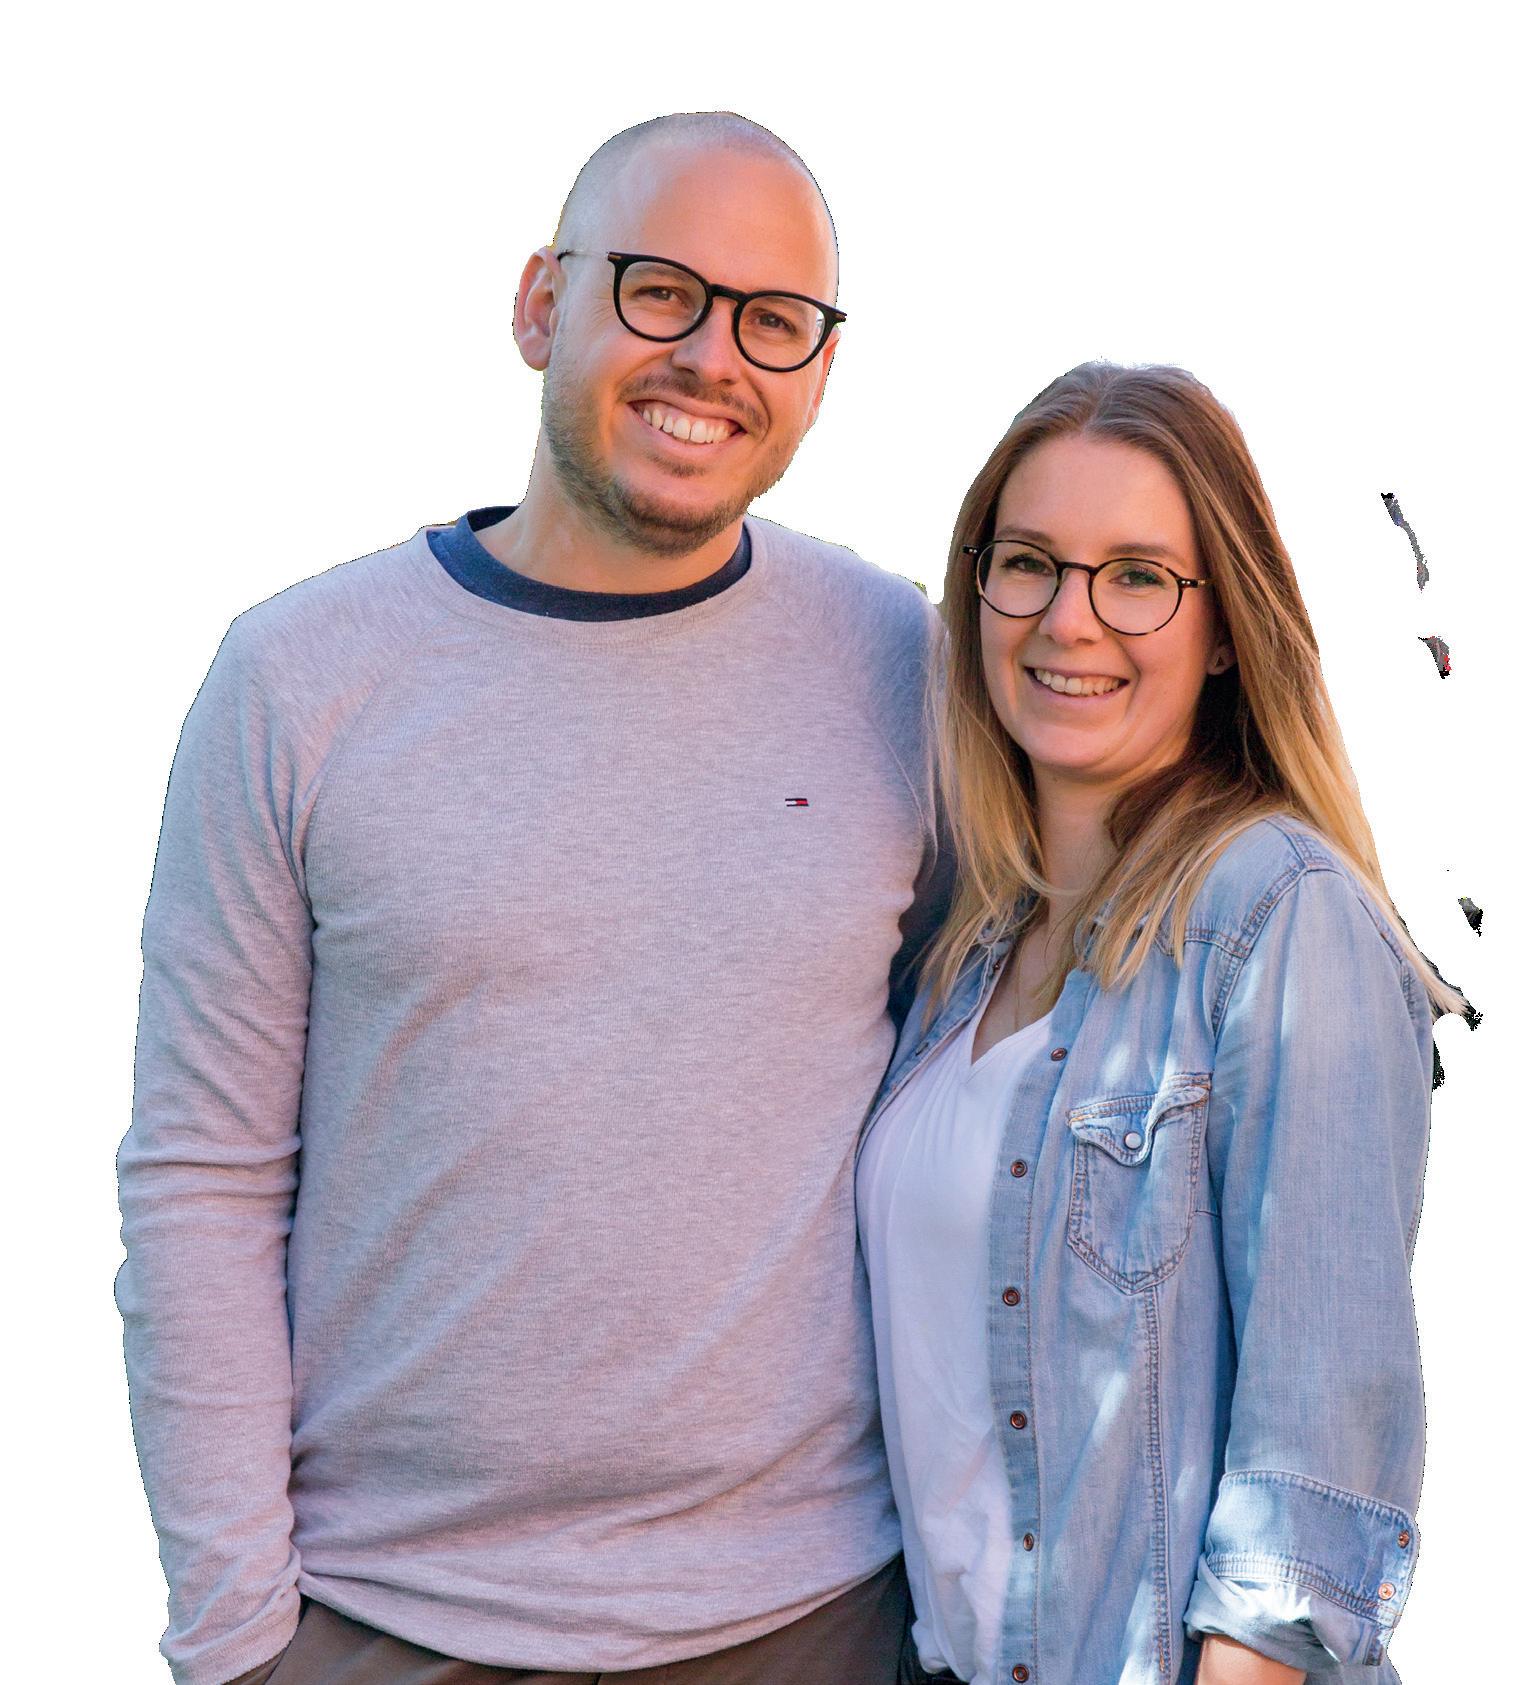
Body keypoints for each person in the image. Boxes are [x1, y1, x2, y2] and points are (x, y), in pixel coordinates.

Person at [115, 111, 952, 1685]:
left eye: (771, 320)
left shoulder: (899, 661)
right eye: (658, 290)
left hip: (814, 1617)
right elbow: (201, 1182)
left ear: (821, 370)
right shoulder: (297, 679)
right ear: (539, 305)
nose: (710, 357)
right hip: (388, 1618)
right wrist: (236, 1644)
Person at [855, 362, 1464, 1685]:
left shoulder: (1277, 913)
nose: (1068, 620)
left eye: (1137, 576)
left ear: (1226, 627)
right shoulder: (964, 949)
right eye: (1029, 563)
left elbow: (1312, 1465)